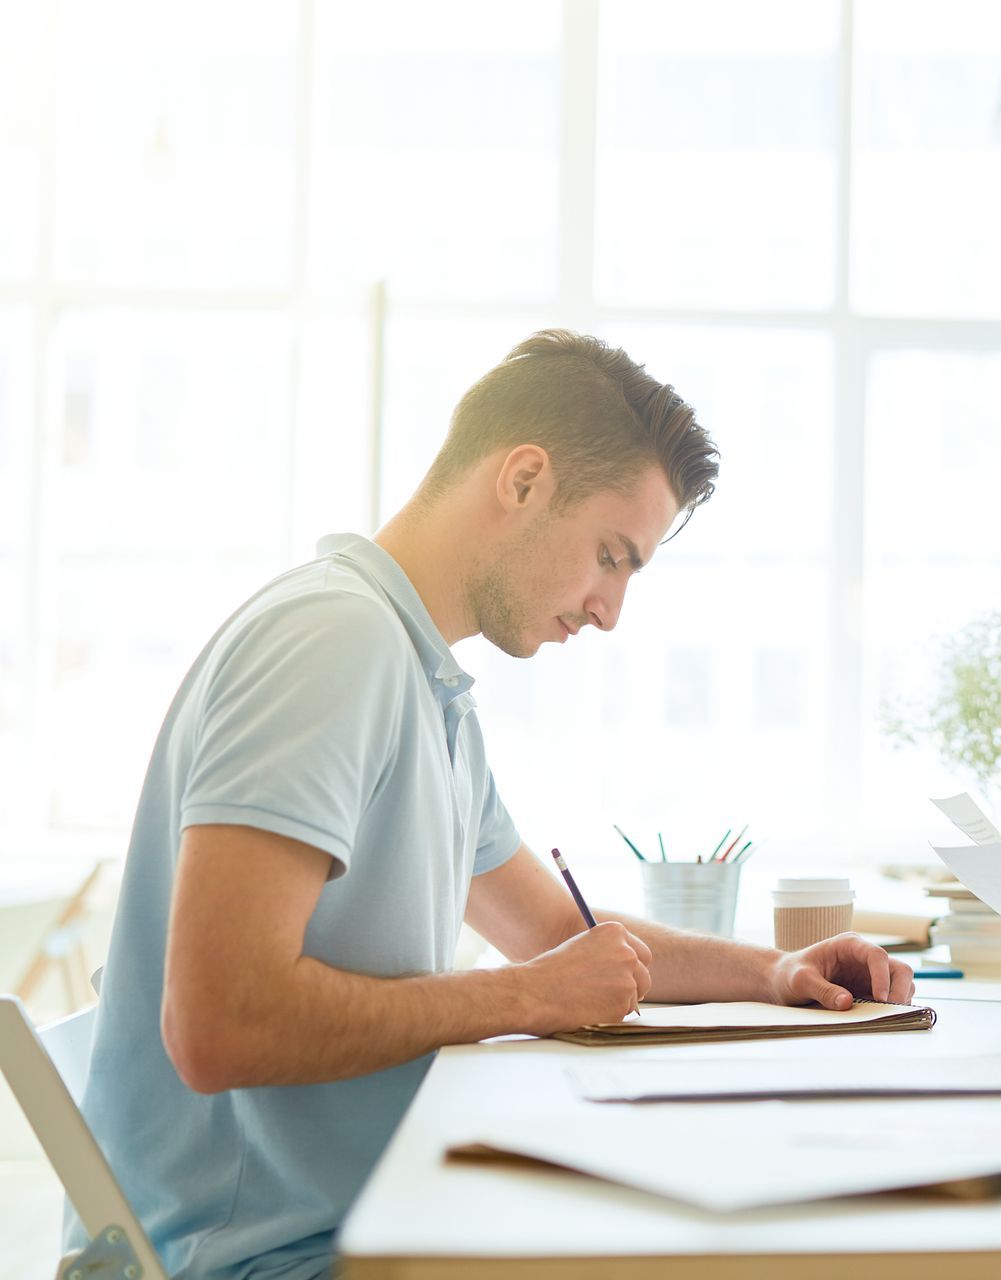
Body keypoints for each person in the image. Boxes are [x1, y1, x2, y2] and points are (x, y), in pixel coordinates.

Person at [75, 330, 913, 1280]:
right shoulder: (332, 645)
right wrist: (522, 997)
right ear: (522, 479)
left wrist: (774, 970)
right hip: (263, 1261)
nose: (610, 611)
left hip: (368, 1222)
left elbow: (555, 928)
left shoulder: (423, 686)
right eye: (610, 555)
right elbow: (218, 1025)